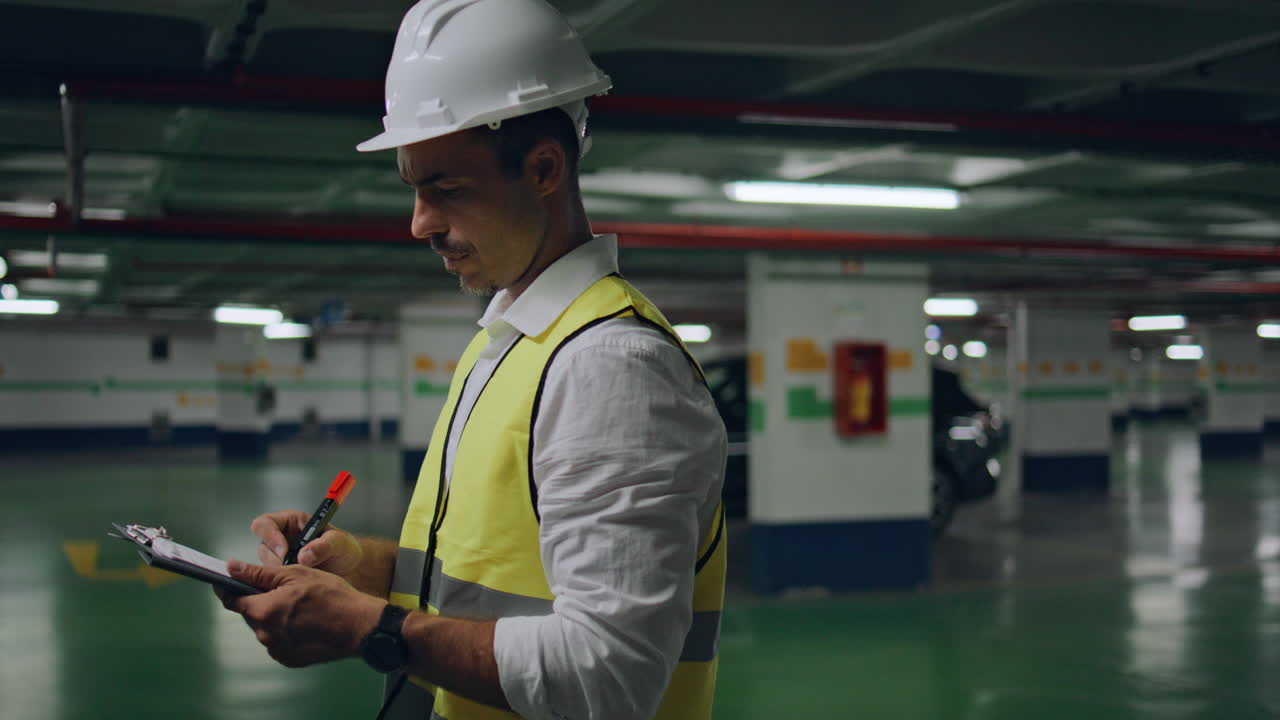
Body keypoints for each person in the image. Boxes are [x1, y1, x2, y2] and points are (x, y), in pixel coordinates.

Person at [216, 1, 729, 719]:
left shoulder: (610, 368)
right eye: (415, 191)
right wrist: (357, 568)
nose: (420, 223)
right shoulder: (510, 343)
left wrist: (368, 628)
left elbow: (608, 677)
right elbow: (483, 576)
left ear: (544, 168)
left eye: (447, 190)